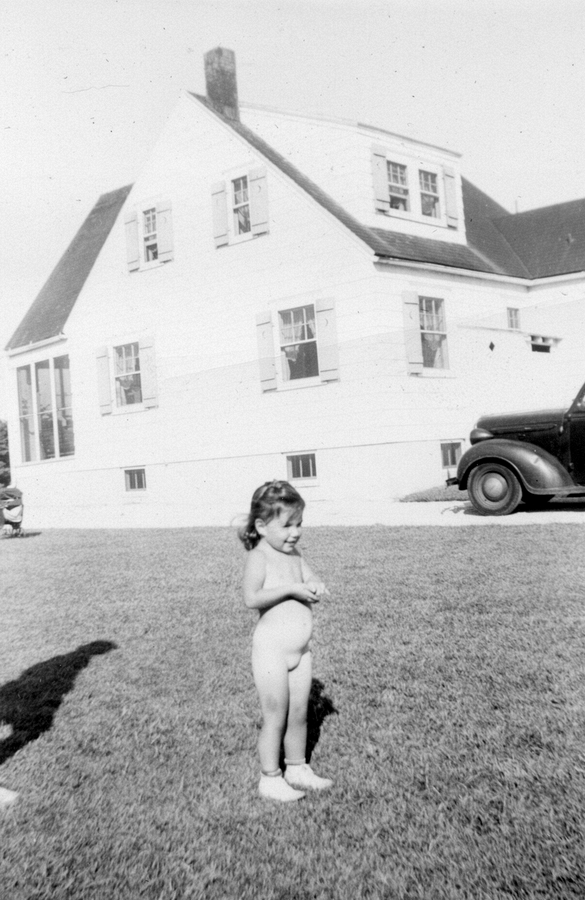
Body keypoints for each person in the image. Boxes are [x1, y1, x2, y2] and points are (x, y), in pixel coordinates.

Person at [239, 480, 333, 802]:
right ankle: (270, 777)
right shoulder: (259, 556)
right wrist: (291, 589)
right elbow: (252, 598)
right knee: (276, 714)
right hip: (271, 651)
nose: (295, 532)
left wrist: (315, 584)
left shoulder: (294, 553)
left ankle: (297, 767)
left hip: (300, 651)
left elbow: (308, 576)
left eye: (299, 524)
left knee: (299, 713)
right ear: (262, 527)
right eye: (287, 525)